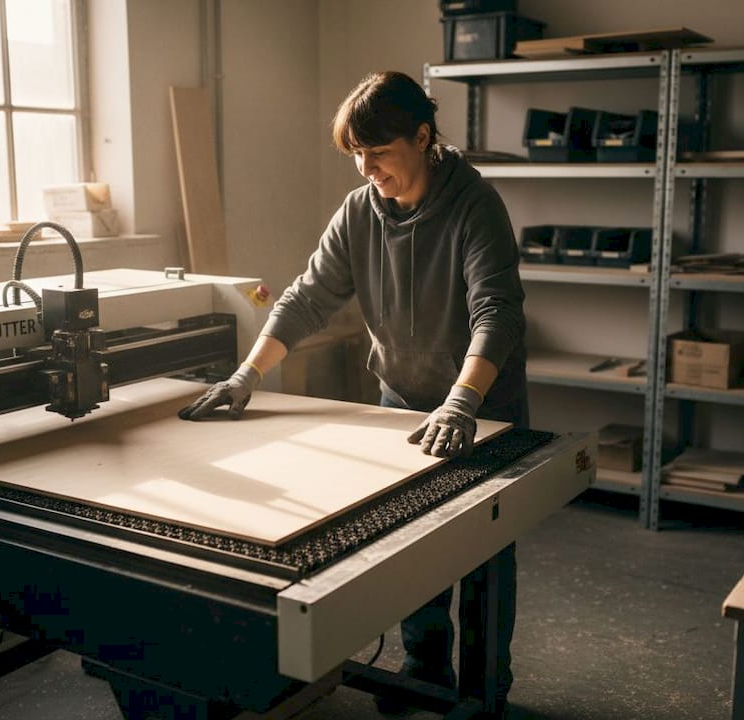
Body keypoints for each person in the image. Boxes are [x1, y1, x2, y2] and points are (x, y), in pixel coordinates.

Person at [181, 70, 526, 718]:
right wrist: (247, 375)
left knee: (482, 551)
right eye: (357, 155)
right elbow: (307, 299)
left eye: (380, 152)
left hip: (480, 407)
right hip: (401, 401)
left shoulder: (475, 205)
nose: (368, 169)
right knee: (416, 543)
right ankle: (425, 665)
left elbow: (497, 311)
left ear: (422, 137)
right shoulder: (359, 211)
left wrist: (462, 401)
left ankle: (487, 688)